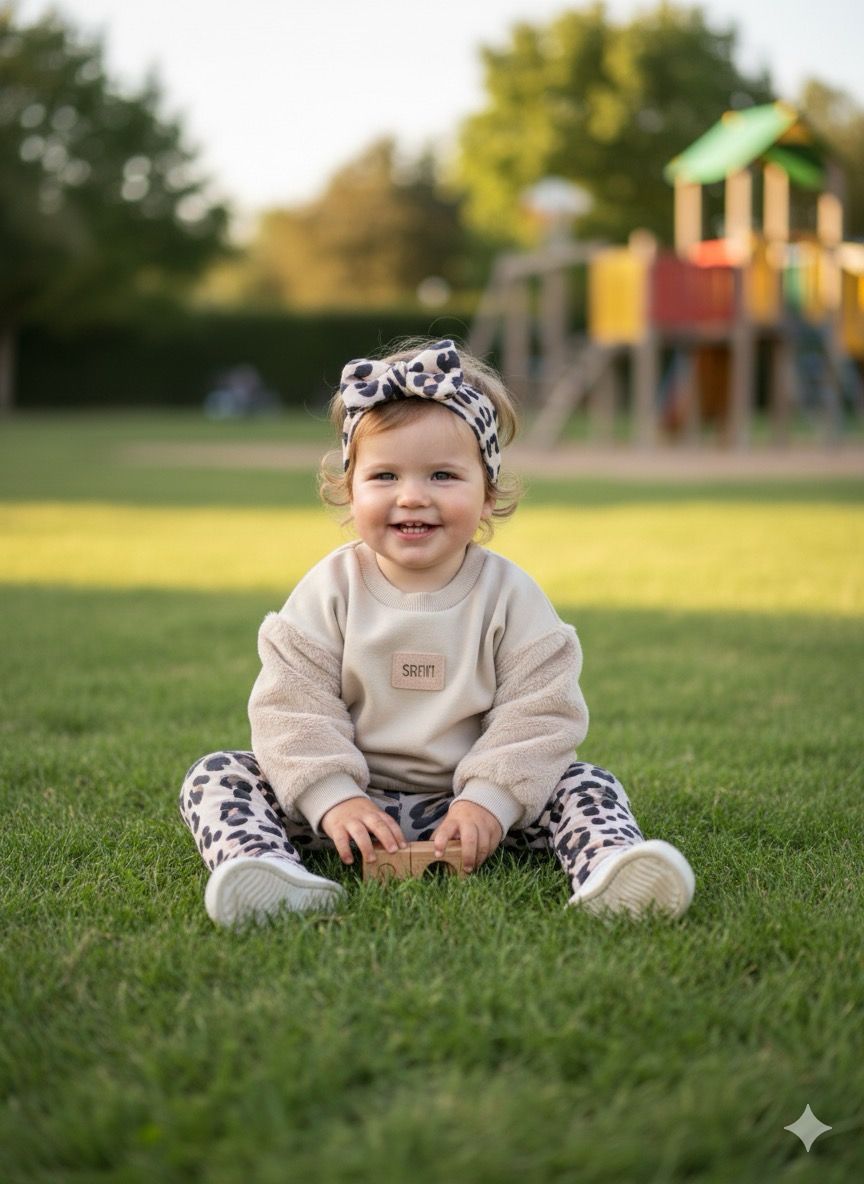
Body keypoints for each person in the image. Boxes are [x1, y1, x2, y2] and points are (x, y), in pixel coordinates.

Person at [179, 338, 695, 925]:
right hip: (350, 807)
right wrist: (333, 797)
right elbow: (292, 704)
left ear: (488, 493)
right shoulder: (329, 589)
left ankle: (611, 870)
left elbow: (540, 711)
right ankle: (271, 873)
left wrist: (489, 803)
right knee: (218, 775)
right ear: (350, 489)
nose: (413, 496)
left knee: (585, 783)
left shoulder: (511, 596)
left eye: (444, 475)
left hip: (469, 810)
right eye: (385, 475)